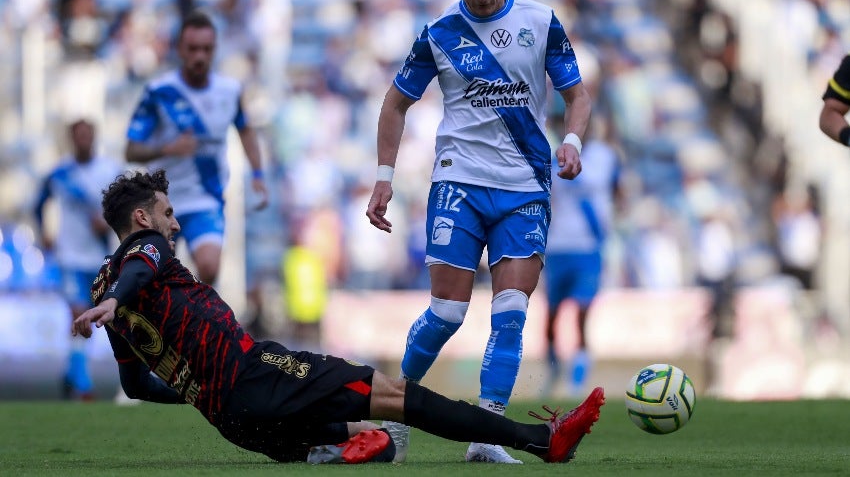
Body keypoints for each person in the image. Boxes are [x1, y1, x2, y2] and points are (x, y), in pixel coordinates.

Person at [71, 170, 605, 464]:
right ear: (141, 218)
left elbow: (136, 385)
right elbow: (140, 268)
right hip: (256, 372)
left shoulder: (103, 287)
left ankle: (345, 448)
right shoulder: (139, 257)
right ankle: (539, 442)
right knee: (398, 396)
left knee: (372, 439)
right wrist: (118, 298)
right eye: (167, 213)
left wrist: (194, 389)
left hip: (231, 421)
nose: (175, 224)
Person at [365, 0, 593, 464]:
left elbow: (576, 95)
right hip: (459, 183)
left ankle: (486, 433)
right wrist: (384, 176)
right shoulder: (440, 34)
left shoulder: (539, 21)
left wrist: (573, 141)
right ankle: (397, 415)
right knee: (446, 313)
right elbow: (395, 104)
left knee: (511, 311)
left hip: (524, 187)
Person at [124, 9, 269, 290]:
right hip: (162, 202)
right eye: (193, 49)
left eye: (206, 49)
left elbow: (246, 131)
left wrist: (258, 175)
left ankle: (193, 326)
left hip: (207, 197)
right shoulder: (159, 92)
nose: (199, 56)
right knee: (158, 281)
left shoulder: (230, 91)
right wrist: (167, 148)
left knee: (210, 268)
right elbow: (131, 150)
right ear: (180, 49)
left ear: (215, 50)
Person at [34, 119, 122, 400]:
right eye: (78, 135)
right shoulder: (60, 174)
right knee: (77, 315)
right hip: (70, 256)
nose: (83, 140)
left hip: (100, 259)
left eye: (87, 135)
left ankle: (71, 375)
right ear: (72, 139)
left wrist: (108, 224)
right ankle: (84, 387)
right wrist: (43, 233)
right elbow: (38, 204)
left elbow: (126, 209)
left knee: (92, 322)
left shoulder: (111, 171)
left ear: (94, 136)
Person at [543, 122, 621, 398]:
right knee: (551, 316)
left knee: (583, 313)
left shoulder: (605, 157)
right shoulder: (552, 156)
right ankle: (552, 372)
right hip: (556, 246)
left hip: (589, 247)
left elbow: (617, 191)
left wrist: (608, 224)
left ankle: (577, 380)